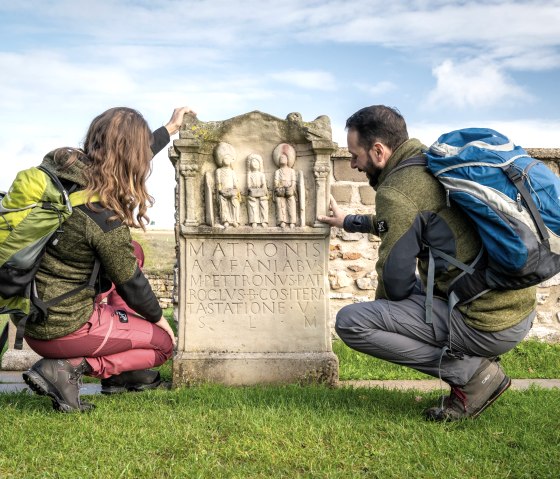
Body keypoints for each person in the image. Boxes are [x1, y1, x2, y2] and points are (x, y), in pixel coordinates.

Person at [318, 105, 536, 421]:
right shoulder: (429, 162)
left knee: (353, 321)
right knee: (421, 295)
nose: (352, 163)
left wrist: (390, 314)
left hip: (487, 323)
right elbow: (410, 219)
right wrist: (350, 221)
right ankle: (471, 369)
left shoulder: (398, 190)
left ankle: (472, 375)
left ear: (378, 151)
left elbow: (395, 280)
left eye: (355, 155)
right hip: (515, 306)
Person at [22, 105, 194, 412]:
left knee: (136, 253)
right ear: (130, 157)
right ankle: (66, 368)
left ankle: (123, 375)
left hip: (33, 312)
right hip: (63, 328)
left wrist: (168, 129)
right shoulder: (101, 217)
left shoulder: (64, 168)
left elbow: (124, 157)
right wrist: (160, 322)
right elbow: (132, 284)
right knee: (161, 345)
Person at [273, 143, 298, 228]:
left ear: (288, 160)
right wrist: (279, 188)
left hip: (290, 190)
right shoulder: (277, 172)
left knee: (291, 202)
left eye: (284, 157)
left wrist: (291, 187)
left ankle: (292, 221)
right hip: (281, 190)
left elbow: (293, 181)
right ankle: (282, 221)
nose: (282, 159)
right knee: (280, 202)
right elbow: (276, 182)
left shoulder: (291, 171)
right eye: (280, 158)